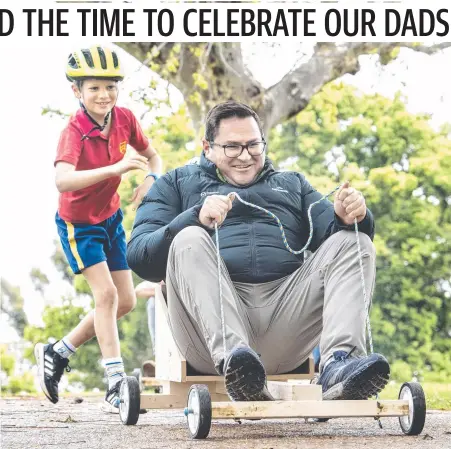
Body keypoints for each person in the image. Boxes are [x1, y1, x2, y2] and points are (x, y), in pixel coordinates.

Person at [126, 100, 390, 402]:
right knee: (188, 238)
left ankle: (337, 365)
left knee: (356, 242)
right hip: (207, 336)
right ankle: (237, 366)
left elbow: (338, 242)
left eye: (253, 145)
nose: (245, 156)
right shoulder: (174, 184)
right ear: (208, 147)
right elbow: (140, 258)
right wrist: (193, 217)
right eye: (232, 147)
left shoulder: (293, 185)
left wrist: (348, 217)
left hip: (286, 323)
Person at [34, 45, 162, 410]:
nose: (104, 95)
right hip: (79, 225)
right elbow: (63, 181)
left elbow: (152, 155)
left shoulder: (124, 118)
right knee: (105, 296)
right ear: (77, 91)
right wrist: (116, 169)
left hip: (110, 219)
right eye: (94, 88)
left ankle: (59, 352)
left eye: (110, 87)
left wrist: (151, 177)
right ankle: (115, 379)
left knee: (125, 300)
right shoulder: (73, 131)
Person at [134, 281, 158, 377]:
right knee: (152, 302)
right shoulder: (156, 281)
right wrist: (157, 292)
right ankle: (158, 361)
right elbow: (137, 291)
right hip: (159, 312)